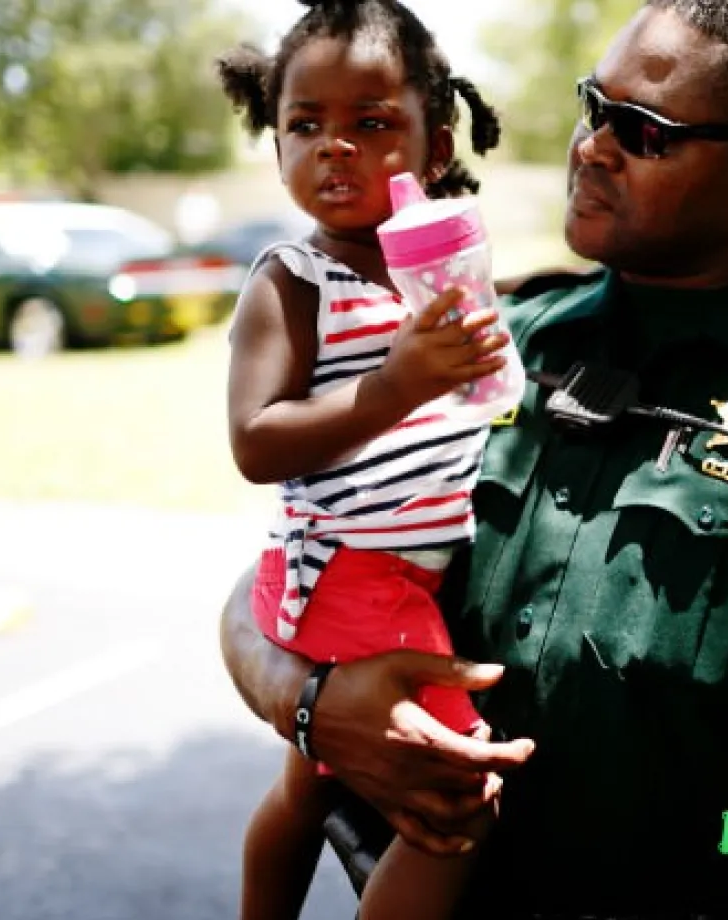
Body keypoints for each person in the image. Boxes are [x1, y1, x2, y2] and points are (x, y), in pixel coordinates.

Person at [218, 1, 728, 917]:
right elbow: (281, 576)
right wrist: (307, 701)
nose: (592, 148)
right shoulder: (490, 349)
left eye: (643, 132)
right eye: (591, 108)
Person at [214, 1, 515, 917]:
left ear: (435, 145)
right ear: (275, 147)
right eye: (304, 125)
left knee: (307, 790)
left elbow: (483, 402)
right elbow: (254, 441)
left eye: (372, 124)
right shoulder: (293, 282)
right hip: (353, 575)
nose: (333, 147)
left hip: (403, 573)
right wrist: (393, 386)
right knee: (455, 794)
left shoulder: (437, 269)